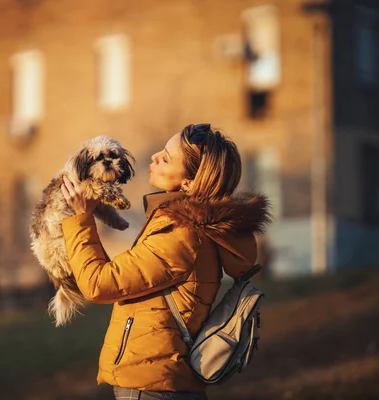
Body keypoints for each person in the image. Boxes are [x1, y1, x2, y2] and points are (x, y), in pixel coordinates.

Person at [60, 123, 270, 400]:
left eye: (167, 158)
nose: (154, 157)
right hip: (160, 381)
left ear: (188, 183)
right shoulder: (187, 228)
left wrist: (80, 218)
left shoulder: (180, 235)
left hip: (150, 387)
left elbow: (98, 284)